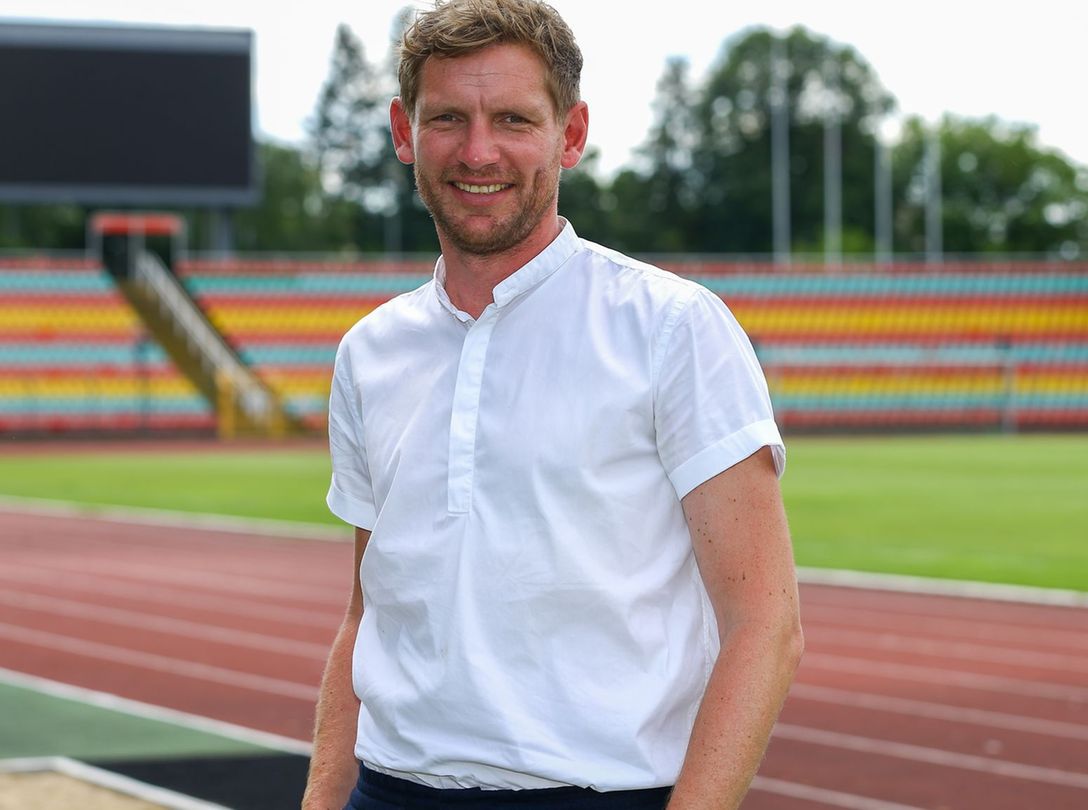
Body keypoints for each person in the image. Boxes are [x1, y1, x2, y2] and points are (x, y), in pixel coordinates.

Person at [300, 1, 803, 808]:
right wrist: (324, 797)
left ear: (570, 134)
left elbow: (763, 627)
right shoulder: (370, 350)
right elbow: (370, 612)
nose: (478, 151)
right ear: (404, 131)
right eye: (448, 119)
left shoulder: (671, 327)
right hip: (390, 792)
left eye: (512, 119)